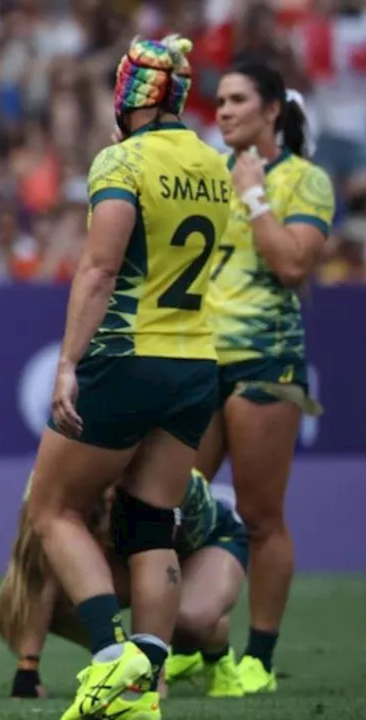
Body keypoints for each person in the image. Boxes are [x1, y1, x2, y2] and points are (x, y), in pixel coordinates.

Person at [22, 35, 232, 720]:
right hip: (196, 361)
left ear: (129, 96)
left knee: (51, 510)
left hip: (126, 354)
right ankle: (144, 688)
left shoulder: (122, 160)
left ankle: (113, 664)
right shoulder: (213, 163)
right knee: (151, 523)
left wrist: (66, 363)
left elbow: (100, 268)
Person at [186, 60, 335, 694]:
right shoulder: (205, 175)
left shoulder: (307, 181)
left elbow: (293, 265)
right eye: (219, 101)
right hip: (196, 358)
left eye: (238, 100)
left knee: (259, 514)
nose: (222, 111)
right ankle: (192, 638)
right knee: (177, 502)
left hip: (266, 363)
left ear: (272, 109)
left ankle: (259, 659)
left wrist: (254, 196)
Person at [0, 470, 249, 701]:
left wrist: (152, 679)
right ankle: (123, 657)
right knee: (49, 598)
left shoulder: (154, 483)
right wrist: (27, 673)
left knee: (188, 620)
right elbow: (34, 573)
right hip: (123, 551)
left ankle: (216, 654)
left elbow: (157, 566)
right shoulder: (50, 484)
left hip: (205, 541)